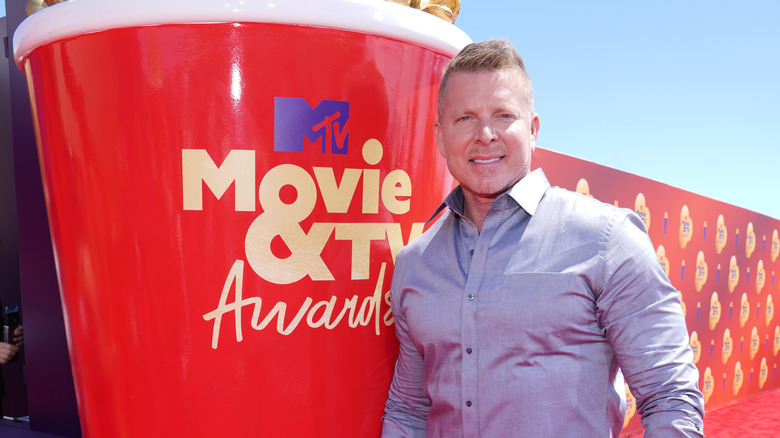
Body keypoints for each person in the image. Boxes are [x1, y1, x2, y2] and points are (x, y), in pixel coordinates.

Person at [381, 38, 704, 437]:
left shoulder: (607, 240)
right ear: (440, 136)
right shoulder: (415, 264)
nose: (485, 134)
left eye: (503, 115)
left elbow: (669, 399)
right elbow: (409, 410)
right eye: (465, 118)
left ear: (533, 129)